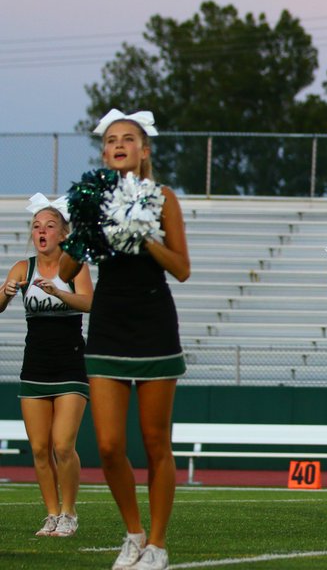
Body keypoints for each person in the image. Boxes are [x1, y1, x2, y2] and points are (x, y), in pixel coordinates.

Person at [59, 109, 190, 570]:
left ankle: (157, 544)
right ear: (104, 151)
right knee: (110, 446)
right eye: (111, 139)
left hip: (154, 326)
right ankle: (133, 534)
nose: (118, 145)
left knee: (155, 443)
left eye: (128, 139)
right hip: (108, 327)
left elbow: (181, 268)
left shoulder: (163, 198)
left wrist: (143, 233)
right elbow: (66, 271)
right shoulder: (92, 200)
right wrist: (85, 229)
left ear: (144, 149)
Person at [0, 195, 93, 538]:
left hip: (69, 364)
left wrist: (57, 291)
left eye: (49, 226)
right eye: (37, 226)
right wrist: (7, 292)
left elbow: (88, 303)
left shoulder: (75, 266)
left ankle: (69, 513)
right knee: (39, 449)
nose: (41, 231)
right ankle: (51, 514)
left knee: (62, 445)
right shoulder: (23, 267)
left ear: (62, 234)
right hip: (34, 366)